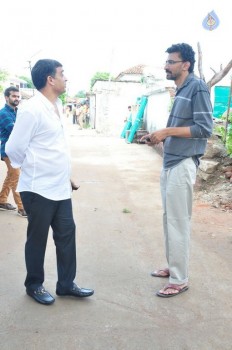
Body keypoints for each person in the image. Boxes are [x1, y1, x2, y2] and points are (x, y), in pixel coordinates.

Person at [6, 59, 94, 305]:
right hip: (38, 189)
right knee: (38, 238)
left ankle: (66, 284)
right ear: (50, 79)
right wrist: (35, 169)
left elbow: (55, 148)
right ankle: (34, 285)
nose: (66, 78)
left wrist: (65, 175)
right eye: (62, 74)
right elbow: (14, 148)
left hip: (60, 187)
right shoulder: (32, 108)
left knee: (66, 235)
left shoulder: (57, 105)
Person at [140, 43, 213, 297]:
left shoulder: (198, 88)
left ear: (185, 65)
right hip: (171, 161)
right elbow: (182, 126)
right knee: (168, 218)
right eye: (167, 61)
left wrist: (167, 132)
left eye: (171, 62)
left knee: (179, 221)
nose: (166, 66)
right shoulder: (182, 88)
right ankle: (173, 267)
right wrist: (157, 136)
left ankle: (180, 279)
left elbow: (205, 128)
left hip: (183, 163)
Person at [0, 87, 27, 217]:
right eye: (14, 96)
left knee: (11, 175)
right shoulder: (4, 113)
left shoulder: (17, 112)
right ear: (7, 97)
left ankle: (1, 200)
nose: (17, 98)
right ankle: (22, 207)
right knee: (16, 176)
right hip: (8, 151)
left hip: (16, 151)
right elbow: (15, 130)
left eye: (18, 96)